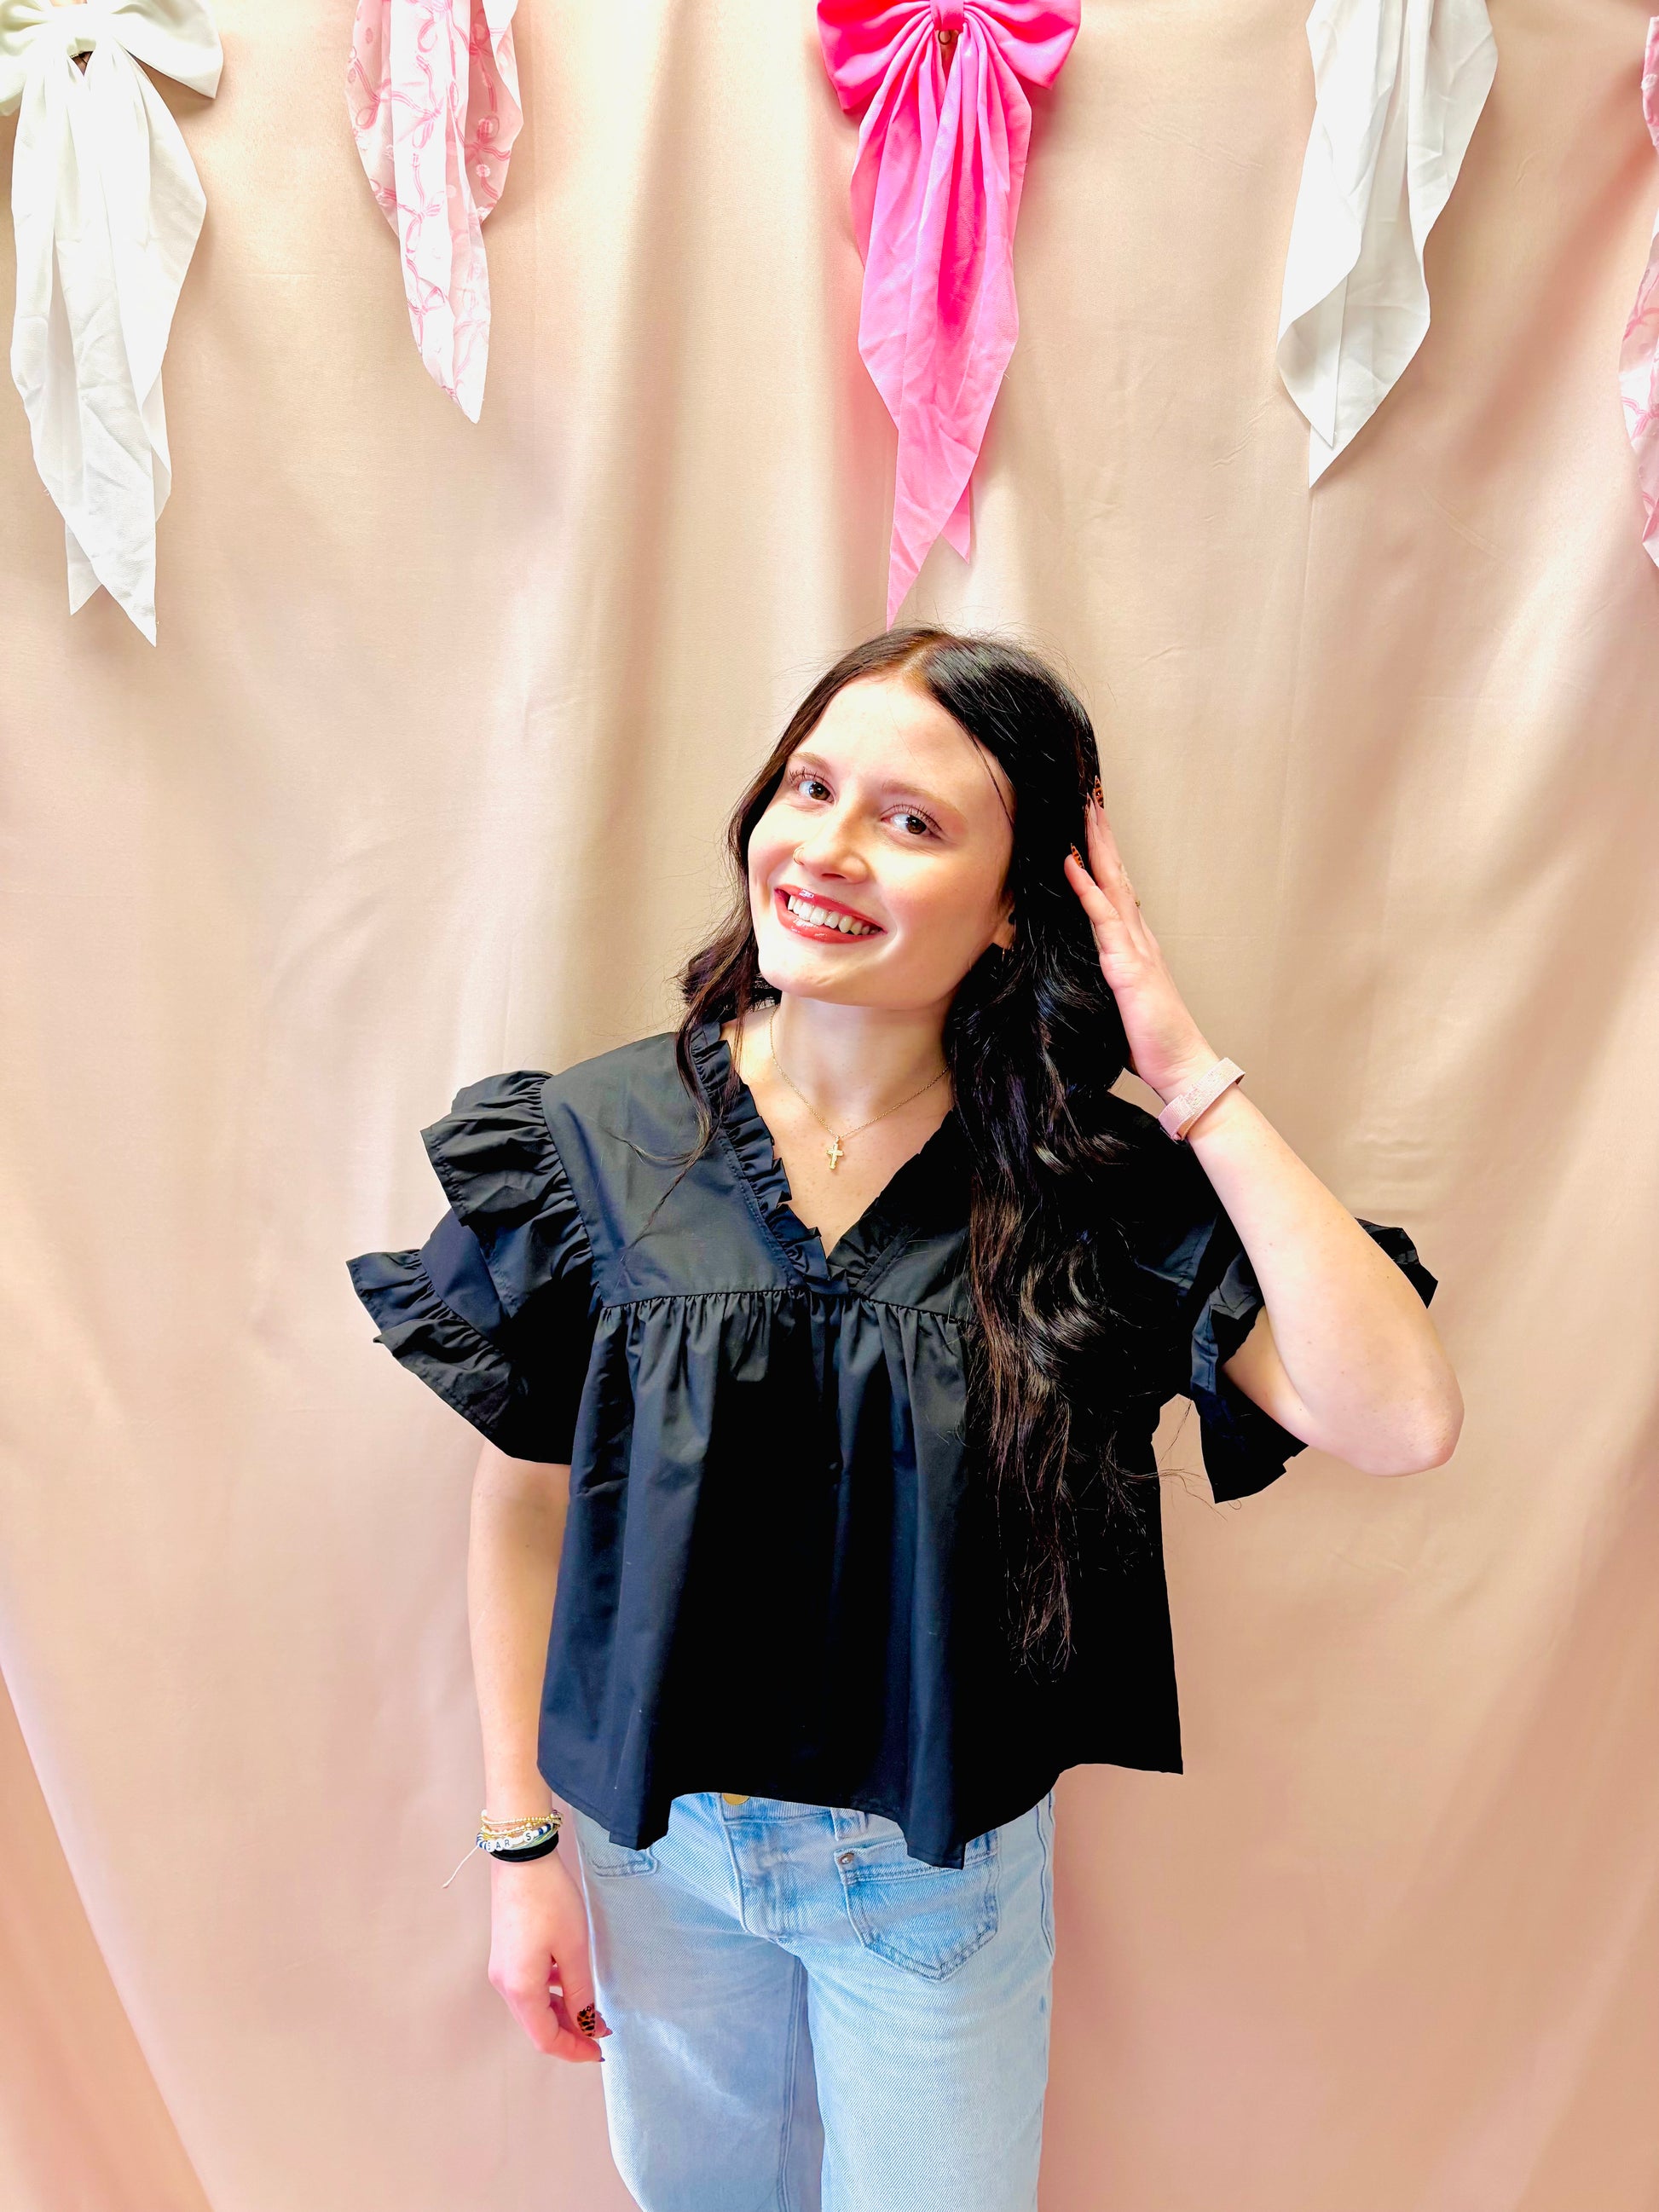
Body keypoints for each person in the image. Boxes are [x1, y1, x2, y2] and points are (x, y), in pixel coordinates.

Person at [349, 627, 1461, 2212]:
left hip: (935, 1876)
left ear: (1012, 907)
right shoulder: (588, 1141)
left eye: (912, 821)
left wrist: (1185, 1072)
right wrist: (520, 1843)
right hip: (652, 1852)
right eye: (809, 788)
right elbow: (527, 1502)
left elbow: (1397, 1417)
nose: (825, 848)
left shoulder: (1080, 1190)